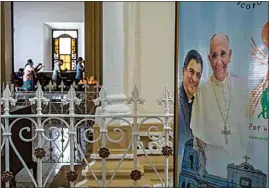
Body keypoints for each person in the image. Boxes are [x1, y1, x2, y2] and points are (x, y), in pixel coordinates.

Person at [190, 33, 249, 178]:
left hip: (241, 164)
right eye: (214, 56)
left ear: (230, 55)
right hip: (214, 167)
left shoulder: (241, 88)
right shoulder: (202, 92)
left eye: (222, 54)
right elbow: (198, 137)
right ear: (209, 59)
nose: (218, 61)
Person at [178, 50, 203, 156]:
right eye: (191, 72)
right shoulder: (175, 103)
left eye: (198, 75)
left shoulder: (199, 104)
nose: (194, 79)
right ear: (183, 71)